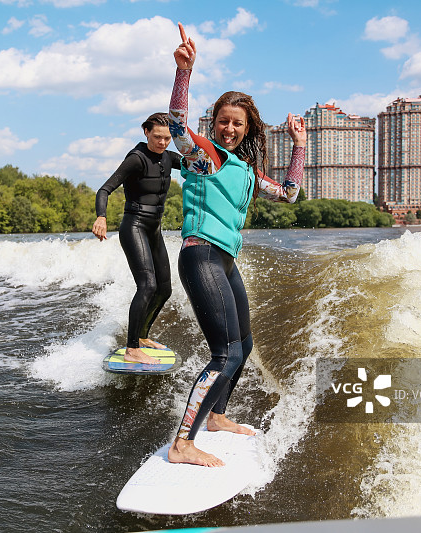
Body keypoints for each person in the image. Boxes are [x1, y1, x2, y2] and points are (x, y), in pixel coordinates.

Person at [167, 23, 306, 467]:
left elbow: (288, 194)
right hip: (200, 254)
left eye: (238, 123)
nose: (230, 128)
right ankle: (182, 443)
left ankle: (217, 417)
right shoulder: (204, 156)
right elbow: (177, 128)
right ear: (216, 123)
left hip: (225, 261)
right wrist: (184, 74)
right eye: (224, 121)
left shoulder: (245, 171)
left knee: (242, 346)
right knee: (223, 352)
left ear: (248, 129)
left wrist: (299, 147)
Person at [92, 113, 182, 364]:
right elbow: (105, 189)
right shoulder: (136, 159)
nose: (162, 143)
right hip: (134, 226)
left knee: (164, 289)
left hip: (154, 229)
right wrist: (101, 216)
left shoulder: (167, 156)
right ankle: (132, 348)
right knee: (147, 286)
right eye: (157, 137)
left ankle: (142, 336)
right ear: (146, 132)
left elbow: (194, 164)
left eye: (167, 138)